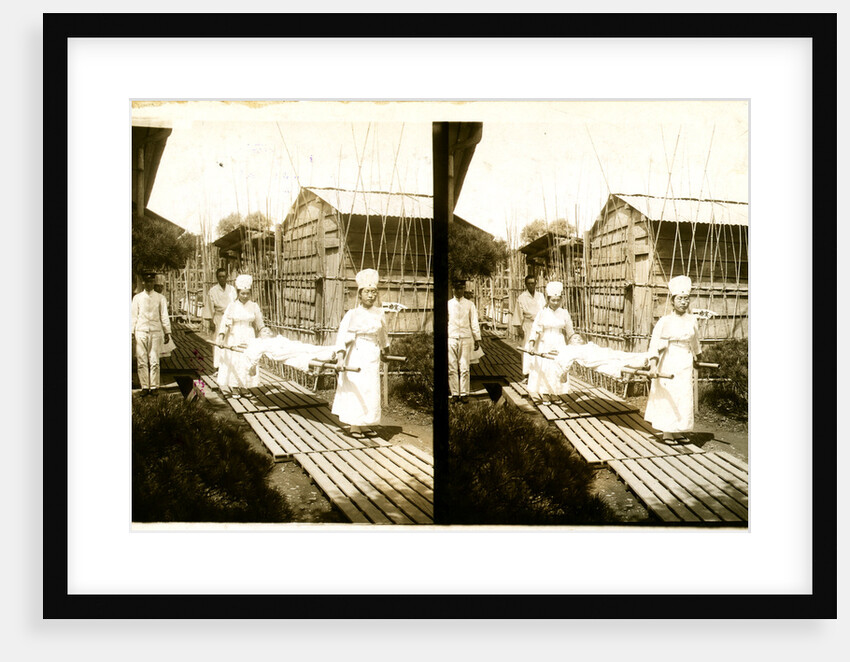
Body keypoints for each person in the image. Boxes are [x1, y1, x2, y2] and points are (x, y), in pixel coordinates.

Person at [332, 269, 390, 438]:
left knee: (371, 388)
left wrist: (385, 350)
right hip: (356, 352)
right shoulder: (353, 314)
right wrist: (340, 358)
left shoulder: (379, 313)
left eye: (374, 292)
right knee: (356, 387)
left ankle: (366, 423)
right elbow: (342, 337)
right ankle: (355, 425)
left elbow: (383, 334)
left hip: (372, 353)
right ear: (360, 294)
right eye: (367, 292)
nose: (371, 296)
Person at [644, 275, 702, 442]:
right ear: (672, 301)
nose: (684, 302)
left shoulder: (692, 320)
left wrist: (698, 356)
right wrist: (653, 366)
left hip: (685, 360)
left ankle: (679, 429)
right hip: (669, 359)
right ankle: (668, 431)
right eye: (680, 299)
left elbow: (695, 340)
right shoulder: (665, 321)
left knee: (683, 395)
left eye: (686, 299)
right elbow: (654, 344)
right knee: (669, 393)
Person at [526, 280, 575, 402]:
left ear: (561, 300)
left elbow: (570, 331)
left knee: (557, 368)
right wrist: (532, 344)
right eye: (553, 300)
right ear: (548, 300)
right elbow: (536, 329)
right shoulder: (542, 313)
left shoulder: (564, 313)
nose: (555, 303)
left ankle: (555, 393)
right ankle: (545, 393)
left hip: (559, 342)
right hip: (545, 342)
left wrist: (575, 343)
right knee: (545, 368)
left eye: (558, 300)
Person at [216, 274, 265, 396]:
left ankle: (244, 386)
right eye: (242, 293)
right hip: (235, 335)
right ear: (238, 293)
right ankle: (235, 387)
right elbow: (225, 322)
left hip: (249, 335)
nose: (245, 296)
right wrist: (222, 336)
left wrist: (264, 332)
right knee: (235, 360)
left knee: (247, 360)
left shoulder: (254, 306)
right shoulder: (232, 306)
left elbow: (260, 322)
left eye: (247, 293)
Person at [131, 272, 172, 397]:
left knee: (154, 360)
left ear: (154, 282)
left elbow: (164, 316)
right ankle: (145, 386)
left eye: (151, 282)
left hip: (155, 331)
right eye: (146, 281)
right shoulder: (137, 298)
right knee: (142, 360)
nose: (149, 284)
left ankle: (154, 386)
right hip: (141, 331)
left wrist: (167, 332)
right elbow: (133, 316)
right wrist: (131, 332)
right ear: (143, 282)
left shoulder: (160, 298)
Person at [448, 279, 481, 403]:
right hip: (452, 337)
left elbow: (474, 322)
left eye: (461, 288)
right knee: (452, 367)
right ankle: (455, 393)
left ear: (464, 289)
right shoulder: (449, 304)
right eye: (456, 288)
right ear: (453, 289)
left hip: (466, 338)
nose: (459, 291)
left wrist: (477, 338)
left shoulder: (469, 304)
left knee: (464, 367)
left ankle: (464, 393)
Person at [203, 268, 237, 378]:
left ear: (227, 277)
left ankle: (229, 366)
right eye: (220, 277)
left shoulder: (232, 290)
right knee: (217, 341)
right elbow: (209, 307)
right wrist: (211, 321)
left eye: (224, 276)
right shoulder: (213, 291)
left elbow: (236, 305)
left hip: (230, 317)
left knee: (230, 340)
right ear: (217, 278)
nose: (222, 278)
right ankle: (217, 367)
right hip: (218, 317)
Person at [511, 275, 545, 378]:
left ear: (536, 284)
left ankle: (539, 373)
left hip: (539, 324)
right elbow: (517, 313)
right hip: (528, 324)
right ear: (526, 285)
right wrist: (519, 328)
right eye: (529, 283)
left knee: (539, 347)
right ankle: (527, 374)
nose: (531, 285)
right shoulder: (522, 297)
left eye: (533, 283)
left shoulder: (540, 296)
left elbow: (544, 311)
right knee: (527, 348)